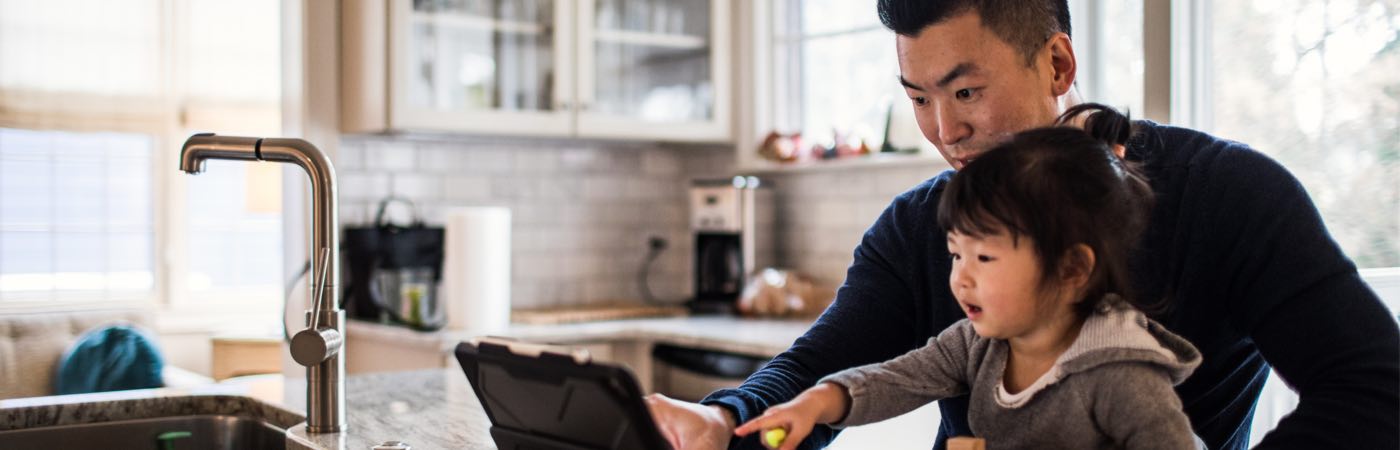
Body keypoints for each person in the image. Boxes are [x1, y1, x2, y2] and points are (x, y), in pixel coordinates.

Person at [644, 1, 1400, 449]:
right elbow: (824, 369)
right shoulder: (915, 229)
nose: (945, 131)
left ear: (1058, 65)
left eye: (966, 90)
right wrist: (726, 417)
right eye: (917, 99)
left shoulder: (1228, 196)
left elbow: (1373, 389)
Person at [733, 104, 1204, 449]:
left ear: (1071, 269)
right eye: (956, 255)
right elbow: (895, 380)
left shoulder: (1119, 375)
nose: (960, 278)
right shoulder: (979, 346)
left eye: (984, 259)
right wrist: (818, 402)